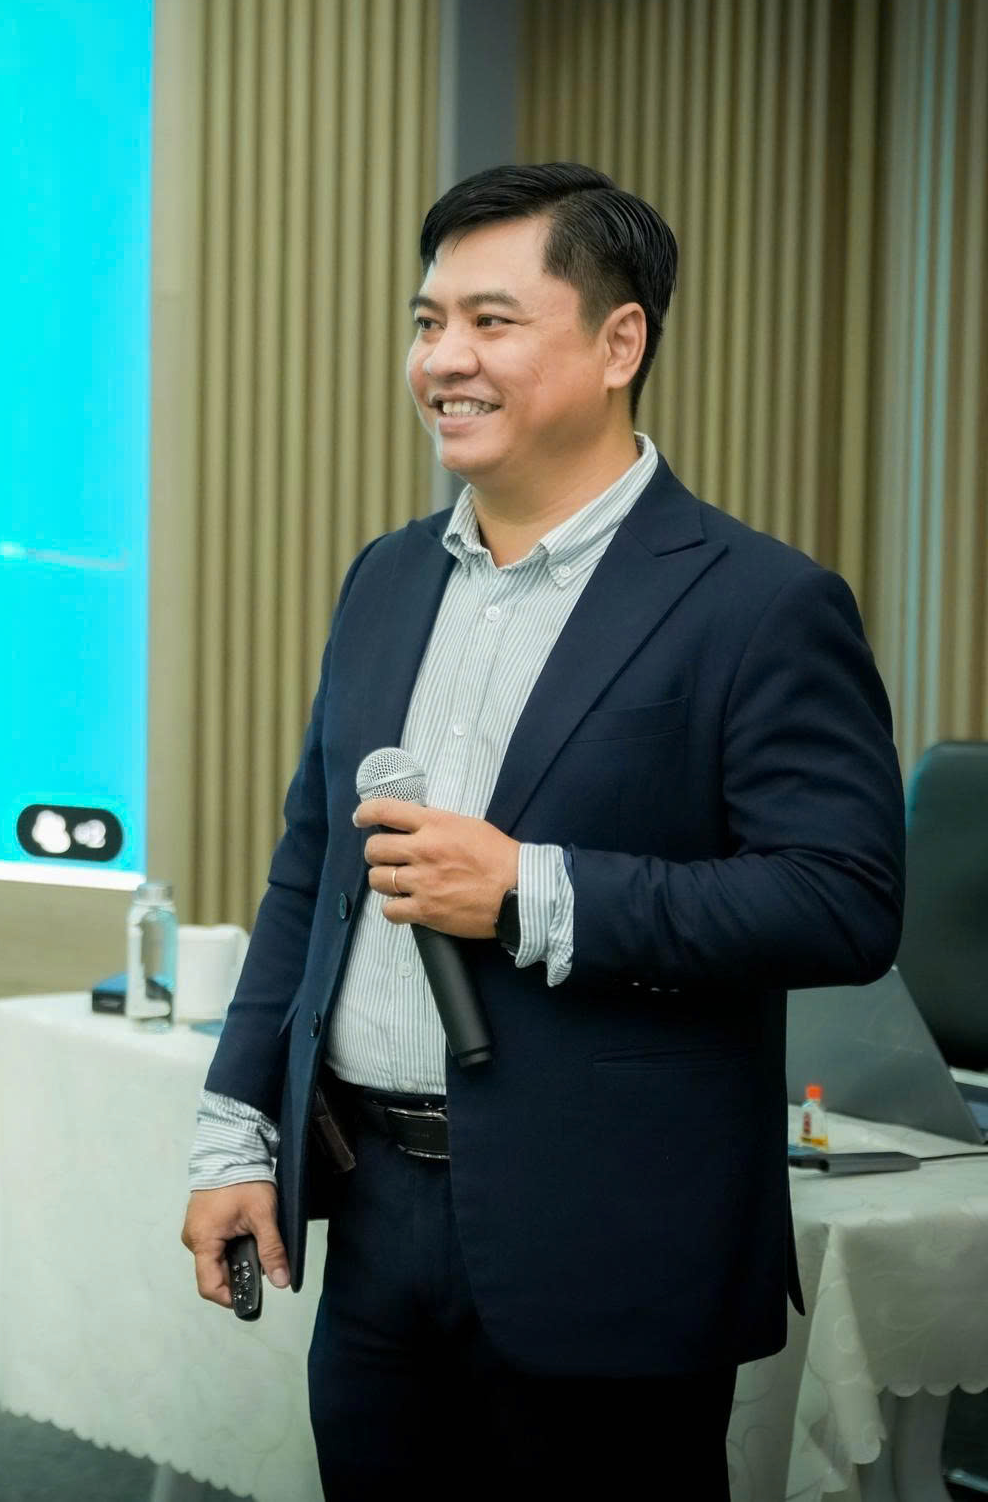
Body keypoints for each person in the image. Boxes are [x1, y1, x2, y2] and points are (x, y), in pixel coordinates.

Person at [177, 163, 904, 1495]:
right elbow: (313, 872)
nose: (442, 359)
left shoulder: (758, 602)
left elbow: (844, 901)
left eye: (491, 321)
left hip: (612, 1231)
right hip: (377, 1216)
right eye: (427, 322)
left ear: (620, 343)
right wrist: (239, 1133)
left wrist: (534, 890)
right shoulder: (388, 576)